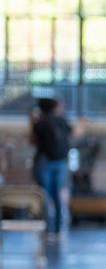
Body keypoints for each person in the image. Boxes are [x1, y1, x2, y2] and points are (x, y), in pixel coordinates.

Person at [29, 97, 72, 235]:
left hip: (44, 161)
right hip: (60, 161)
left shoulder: (40, 122)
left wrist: (31, 122)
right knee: (57, 194)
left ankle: (48, 227)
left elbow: (33, 141)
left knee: (44, 195)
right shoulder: (61, 120)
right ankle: (58, 227)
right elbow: (72, 134)